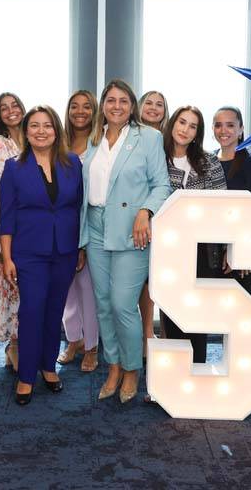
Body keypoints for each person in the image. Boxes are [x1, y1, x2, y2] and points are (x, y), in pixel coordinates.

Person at [81, 79, 170, 403]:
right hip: (95, 228)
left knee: (122, 304)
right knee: (104, 304)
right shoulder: (94, 139)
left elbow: (161, 185)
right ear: (103, 105)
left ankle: (132, 369)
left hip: (132, 229)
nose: (116, 106)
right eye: (111, 100)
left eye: (123, 101)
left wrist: (145, 211)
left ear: (132, 106)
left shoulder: (148, 137)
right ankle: (114, 366)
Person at [0, 106, 84, 405]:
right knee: (32, 311)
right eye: (34, 125)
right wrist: (7, 258)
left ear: (56, 130)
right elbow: (7, 216)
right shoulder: (14, 167)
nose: (41, 131)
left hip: (65, 250)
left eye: (47, 125)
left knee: (54, 310)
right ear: (26, 131)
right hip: (28, 253)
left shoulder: (72, 163)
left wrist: (80, 247)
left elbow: (79, 208)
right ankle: (25, 376)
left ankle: (48, 366)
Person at [160, 106, 227, 364]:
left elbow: (222, 206)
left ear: (197, 133)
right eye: (182, 122)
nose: (185, 129)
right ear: (172, 124)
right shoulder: (157, 158)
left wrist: (226, 248)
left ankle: (197, 368)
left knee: (198, 312)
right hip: (168, 248)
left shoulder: (209, 161)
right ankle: (173, 373)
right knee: (172, 311)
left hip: (202, 249)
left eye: (192, 126)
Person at [210, 106, 251, 309]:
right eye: (218, 125)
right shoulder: (208, 162)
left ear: (240, 129)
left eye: (230, 125)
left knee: (247, 314)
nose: (223, 130)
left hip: (246, 246)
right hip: (216, 250)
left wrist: (242, 250)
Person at [57, 90, 100, 372]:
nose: (80, 111)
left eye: (87, 106)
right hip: (62, 224)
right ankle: (74, 340)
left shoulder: (100, 144)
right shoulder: (58, 143)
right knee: (66, 288)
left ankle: (92, 347)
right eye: (74, 106)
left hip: (90, 224)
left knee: (87, 288)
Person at [0, 92, 26, 371]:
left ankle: (26, 345)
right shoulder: (0, 143)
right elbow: (5, 184)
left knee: (29, 291)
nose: (11, 111)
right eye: (4, 108)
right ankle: (13, 346)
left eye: (14, 105)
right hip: (12, 224)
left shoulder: (35, 138)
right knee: (13, 288)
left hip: (35, 226)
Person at [135, 90, 169, 351]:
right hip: (135, 215)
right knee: (137, 279)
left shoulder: (168, 140)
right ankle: (141, 334)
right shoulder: (129, 136)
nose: (153, 108)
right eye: (149, 102)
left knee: (156, 278)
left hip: (163, 215)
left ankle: (153, 333)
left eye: (159, 105)